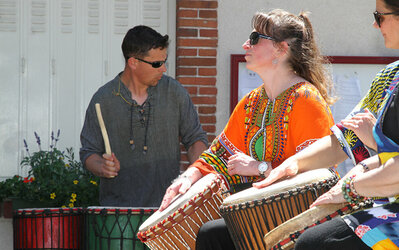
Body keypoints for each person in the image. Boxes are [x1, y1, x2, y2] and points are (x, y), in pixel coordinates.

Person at [159, 9, 336, 250]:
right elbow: (219, 155)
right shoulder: (252, 101)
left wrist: (260, 168)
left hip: (298, 223)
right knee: (210, 235)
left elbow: (319, 175)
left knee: (212, 235)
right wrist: (187, 178)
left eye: (254, 39)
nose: (245, 45)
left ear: (281, 50)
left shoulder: (307, 100)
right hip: (260, 214)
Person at [255, 0, 399, 249]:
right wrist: (293, 164)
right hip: (386, 198)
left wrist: (351, 187)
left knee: (316, 242)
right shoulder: (390, 76)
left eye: (380, 16)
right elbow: (345, 139)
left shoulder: (304, 95)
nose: (374, 24)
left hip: (390, 206)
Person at [79, 25, 208, 207]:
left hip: (167, 209)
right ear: (133, 62)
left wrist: (198, 174)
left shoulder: (174, 92)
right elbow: (88, 152)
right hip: (118, 215)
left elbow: (195, 139)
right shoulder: (103, 99)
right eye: (156, 64)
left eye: (164, 61)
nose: (163, 69)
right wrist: (102, 166)